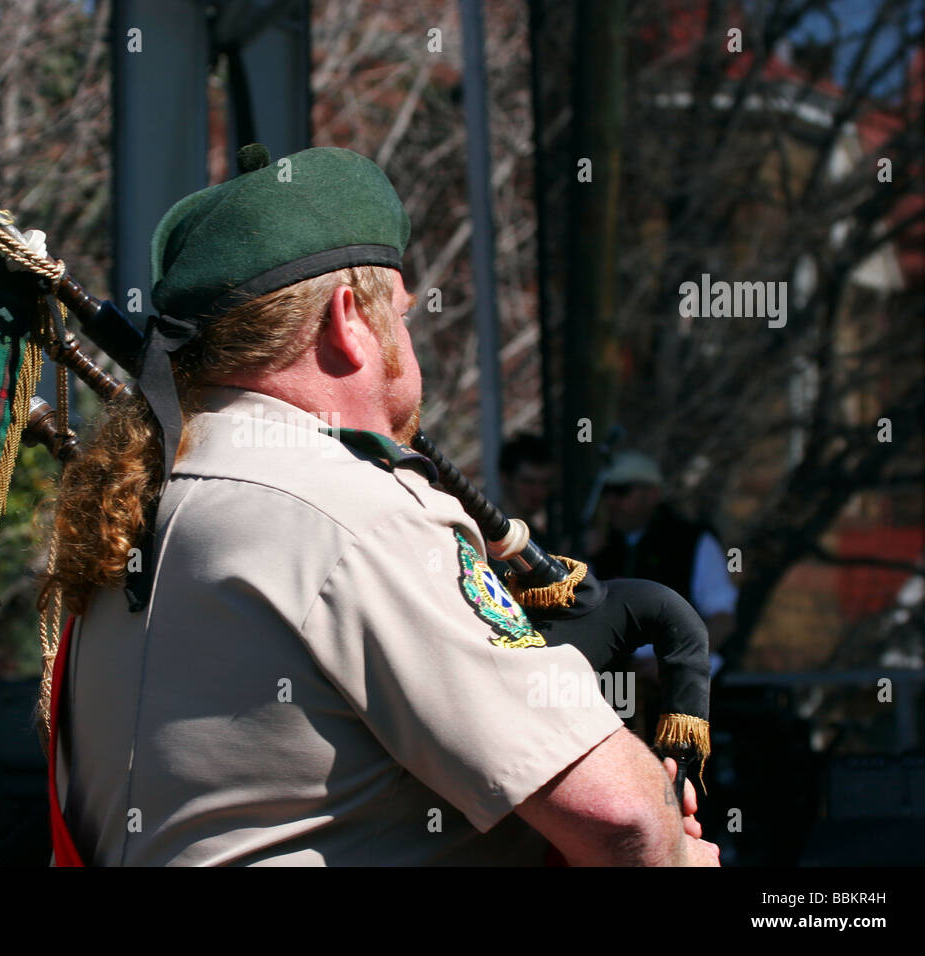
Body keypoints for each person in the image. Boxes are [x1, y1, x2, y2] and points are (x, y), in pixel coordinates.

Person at [45, 145, 718, 866]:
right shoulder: (353, 511)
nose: (408, 345)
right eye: (399, 317)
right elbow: (621, 820)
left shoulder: (139, 514)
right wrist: (677, 851)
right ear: (347, 321)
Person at [589, 450, 738, 675]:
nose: (612, 502)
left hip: (678, 682)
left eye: (622, 491)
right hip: (613, 680)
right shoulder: (599, 546)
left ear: (652, 494)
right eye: (606, 492)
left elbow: (723, 619)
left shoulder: (693, 542)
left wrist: (677, 661)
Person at [498, 432, 556, 541]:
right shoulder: (484, 534)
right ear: (506, 478)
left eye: (545, 483)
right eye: (528, 482)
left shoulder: (539, 539)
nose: (539, 492)